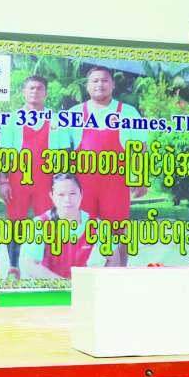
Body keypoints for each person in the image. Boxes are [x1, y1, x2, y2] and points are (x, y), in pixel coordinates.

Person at [65, 66, 147, 266]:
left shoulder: (128, 112)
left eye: (104, 80)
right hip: (83, 185)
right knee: (81, 231)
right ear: (87, 86)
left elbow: (140, 148)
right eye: (95, 81)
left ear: (112, 84)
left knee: (119, 232)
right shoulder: (75, 113)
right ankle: (79, 275)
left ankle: (121, 272)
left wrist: (141, 179)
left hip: (115, 185)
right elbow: (64, 151)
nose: (99, 84)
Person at [0, 75, 67, 279]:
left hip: (47, 180)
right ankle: (13, 266)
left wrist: (61, 184)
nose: (35, 92)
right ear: (24, 92)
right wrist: (3, 181)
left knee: (48, 223)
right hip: (18, 179)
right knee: (15, 223)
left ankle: (47, 266)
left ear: (46, 93)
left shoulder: (56, 121)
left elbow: (64, 154)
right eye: (31, 88)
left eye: (39, 88)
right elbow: (5, 153)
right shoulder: (12, 119)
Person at [21, 173, 109, 279]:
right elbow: (30, 265)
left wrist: (102, 281)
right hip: (51, 286)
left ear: (81, 194)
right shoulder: (40, 224)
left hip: (82, 286)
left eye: (72, 193)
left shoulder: (96, 225)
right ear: (52, 196)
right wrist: (64, 284)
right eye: (61, 195)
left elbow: (114, 258)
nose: (67, 199)